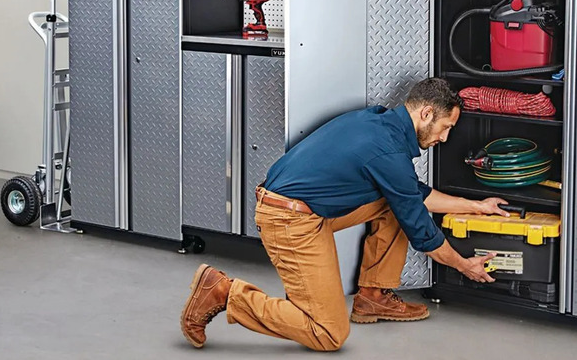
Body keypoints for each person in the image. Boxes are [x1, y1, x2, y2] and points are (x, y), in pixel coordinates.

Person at [180, 78, 509, 351]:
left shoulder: (377, 122)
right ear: (426, 114)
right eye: (445, 127)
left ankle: (372, 296)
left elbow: (412, 193)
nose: (444, 137)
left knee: (394, 202)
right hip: (289, 219)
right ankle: (225, 293)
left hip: (301, 207)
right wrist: (465, 266)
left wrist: (477, 206)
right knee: (327, 332)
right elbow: (424, 235)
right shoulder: (389, 151)